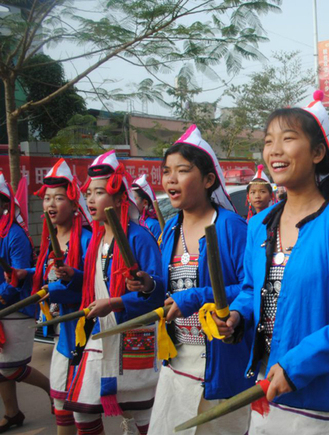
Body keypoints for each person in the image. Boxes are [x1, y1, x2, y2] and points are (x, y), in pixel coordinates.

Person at [217, 91, 329, 434]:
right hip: (267, 388)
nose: (274, 150)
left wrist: (297, 365)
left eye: (288, 139)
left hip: (327, 403)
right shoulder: (258, 225)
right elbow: (250, 289)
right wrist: (236, 316)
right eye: (268, 141)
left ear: (318, 153)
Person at [140, 125, 253, 435]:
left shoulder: (231, 227)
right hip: (176, 364)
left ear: (208, 180)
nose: (170, 179)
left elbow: (252, 289)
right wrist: (150, 286)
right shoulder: (170, 229)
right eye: (166, 171)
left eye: (182, 170)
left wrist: (195, 297)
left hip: (220, 364)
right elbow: (170, 294)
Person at [64, 150, 164, 435]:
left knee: (141, 413)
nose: (90, 200)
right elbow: (96, 284)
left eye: (99, 193)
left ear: (120, 198)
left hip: (133, 335)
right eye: (88, 193)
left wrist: (118, 301)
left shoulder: (139, 237)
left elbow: (157, 293)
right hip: (101, 334)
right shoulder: (97, 238)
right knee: (82, 410)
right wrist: (74, 276)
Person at [24, 159, 92, 434]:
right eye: (47, 198)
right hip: (60, 335)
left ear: (75, 204)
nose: (51, 203)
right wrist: (26, 273)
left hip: (83, 336)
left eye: (59, 197)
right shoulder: (48, 239)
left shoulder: (87, 240)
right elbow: (46, 274)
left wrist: (67, 279)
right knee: (62, 407)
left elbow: (93, 285)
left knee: (84, 413)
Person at [0, 172, 50, 433]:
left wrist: (2, 295)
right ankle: (13, 413)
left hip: (16, 307)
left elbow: (16, 277)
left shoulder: (14, 234)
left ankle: (52, 388)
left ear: (3, 203)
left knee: (10, 368)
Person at [132, 174, 162, 241]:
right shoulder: (135, 223)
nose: (131, 202)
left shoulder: (153, 225)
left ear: (145, 203)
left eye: (134, 198)